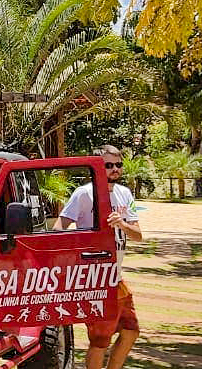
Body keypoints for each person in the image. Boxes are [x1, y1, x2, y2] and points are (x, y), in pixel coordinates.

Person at [54, 145, 143, 369]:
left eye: (118, 165)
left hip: (116, 277)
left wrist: (122, 224)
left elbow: (138, 235)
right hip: (95, 278)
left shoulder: (125, 193)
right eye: (108, 165)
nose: (115, 169)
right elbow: (59, 229)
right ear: (95, 166)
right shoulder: (84, 193)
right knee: (100, 340)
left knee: (131, 331)